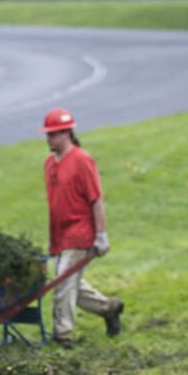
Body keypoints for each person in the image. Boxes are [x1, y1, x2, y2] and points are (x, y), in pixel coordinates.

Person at [41, 107, 124, 349]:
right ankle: (109, 308)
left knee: (63, 286)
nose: (48, 139)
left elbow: (95, 199)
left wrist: (101, 236)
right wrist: (52, 238)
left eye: (53, 134)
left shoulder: (81, 160)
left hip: (80, 233)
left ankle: (62, 335)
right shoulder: (49, 164)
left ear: (67, 133)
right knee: (71, 284)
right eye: (47, 134)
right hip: (60, 235)